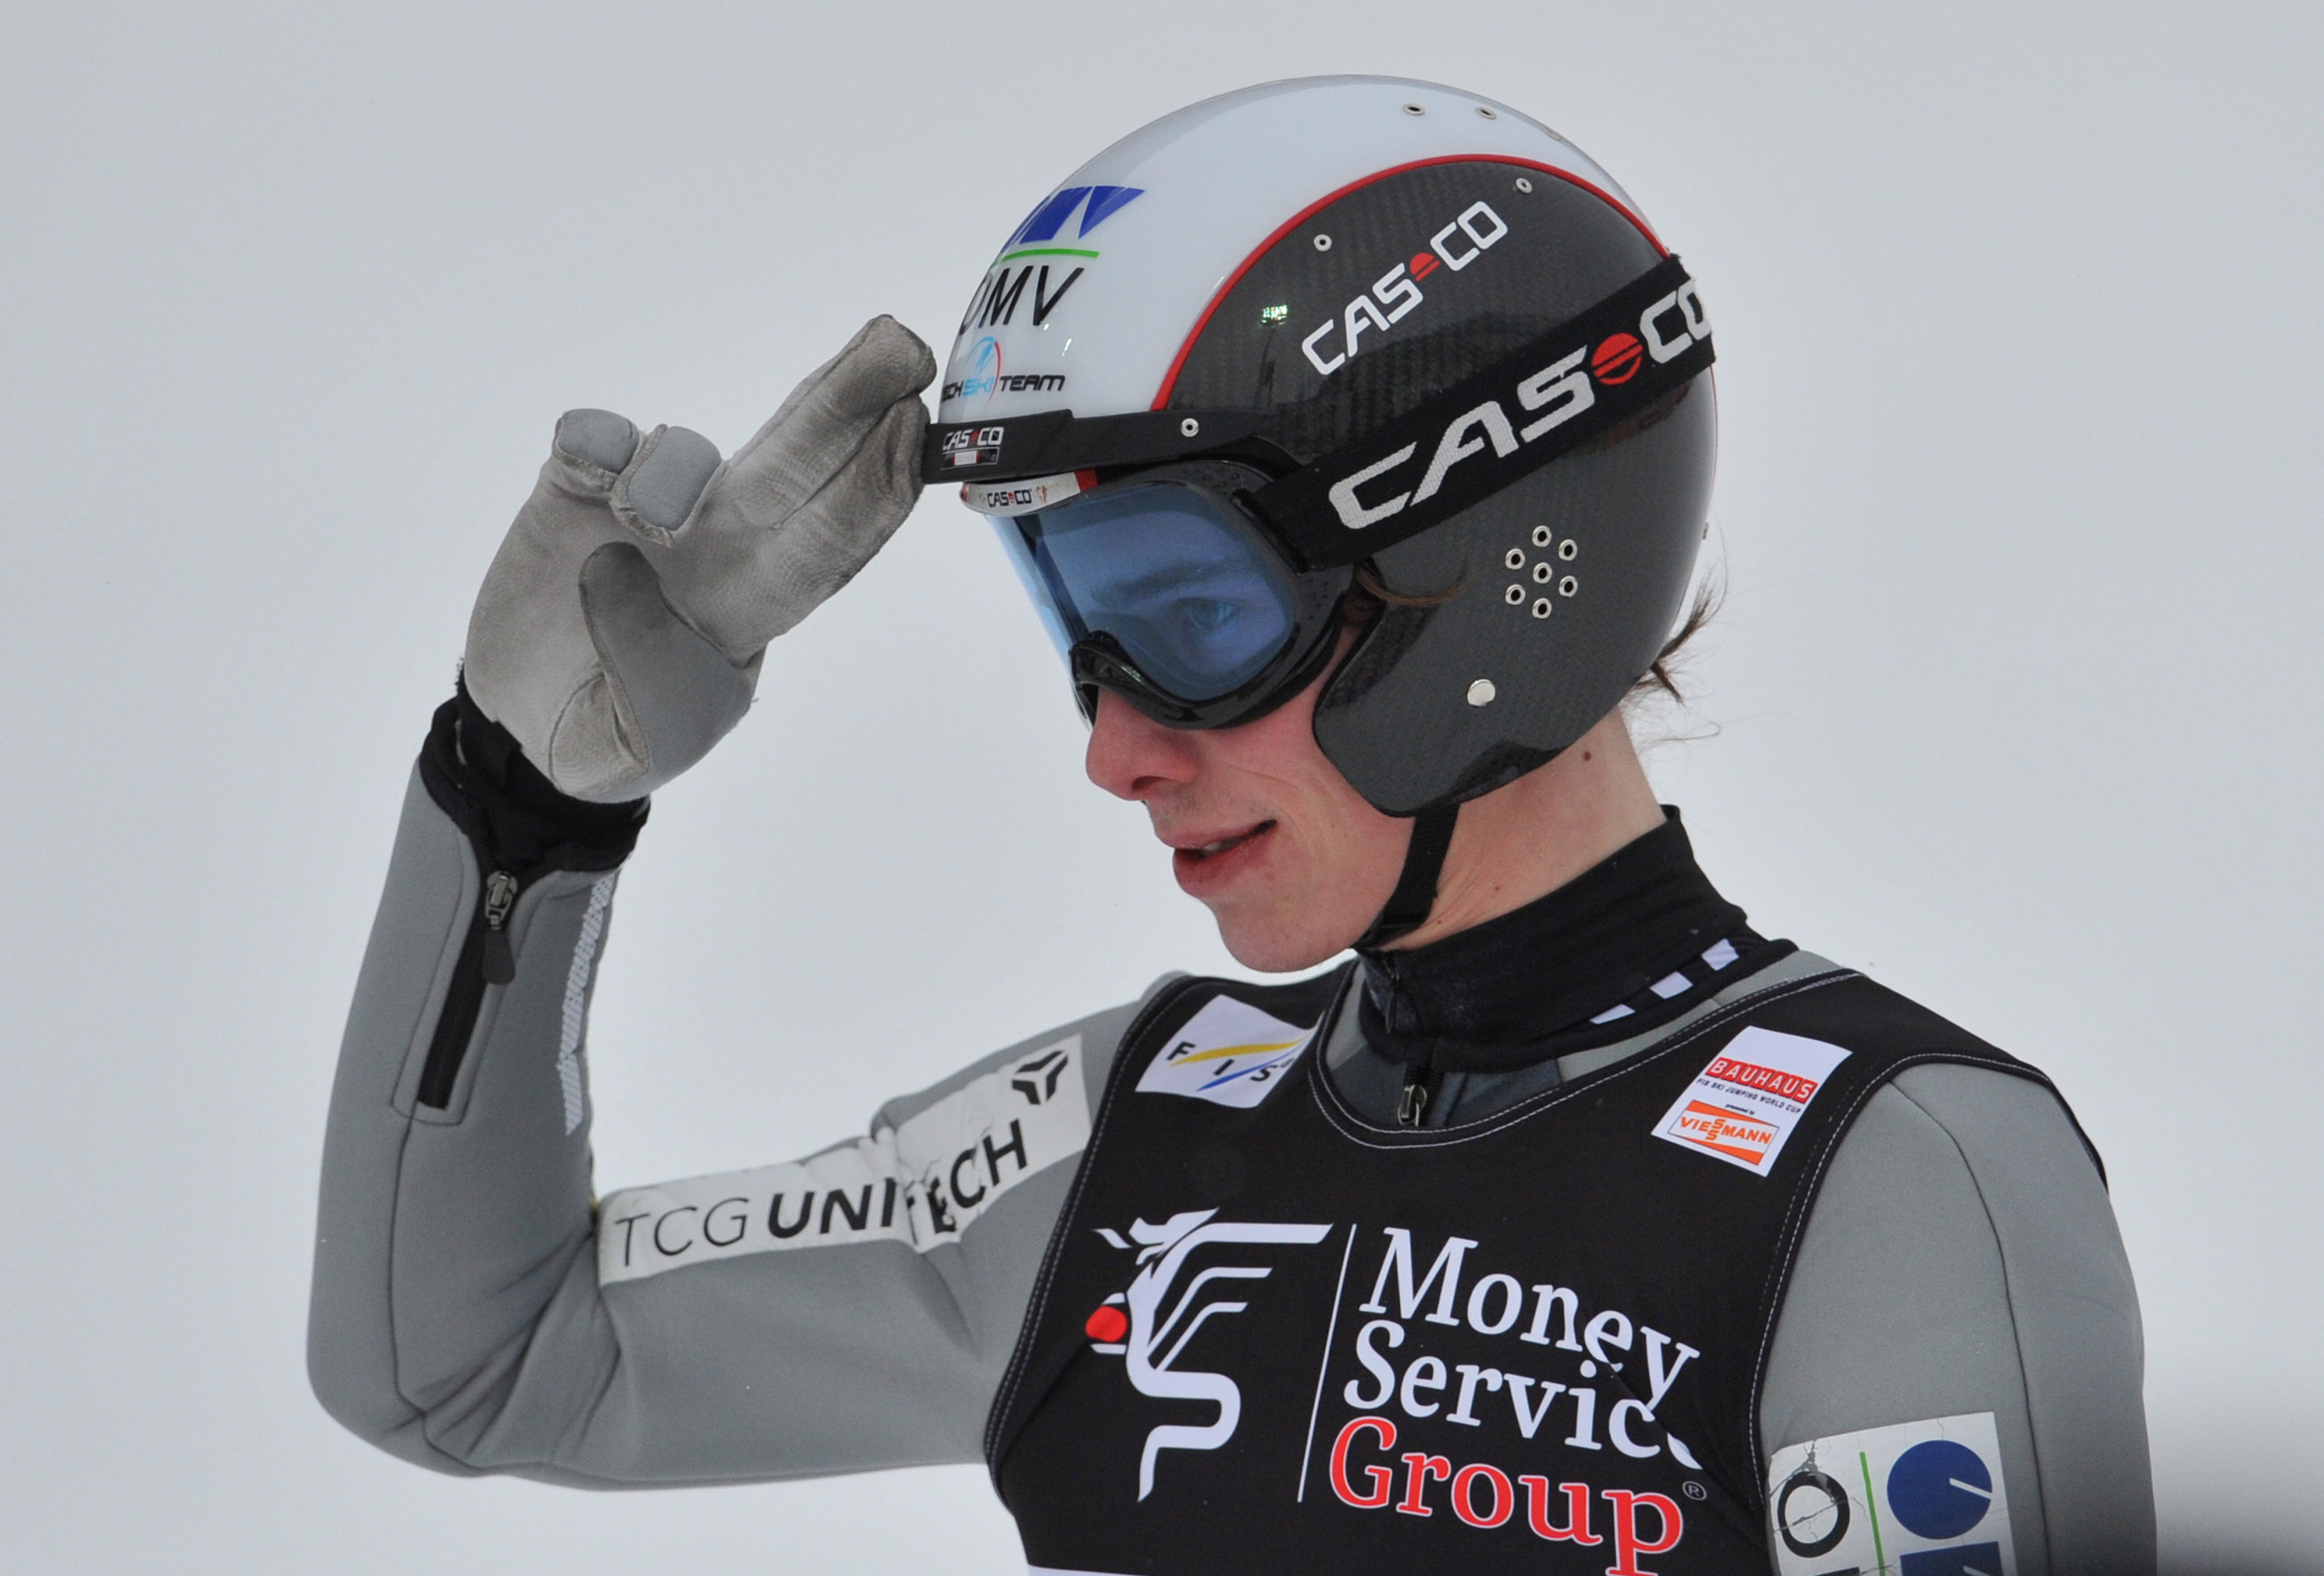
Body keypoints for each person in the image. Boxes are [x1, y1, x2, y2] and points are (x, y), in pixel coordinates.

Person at [308, 77, 2154, 1574]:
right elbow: (465, 1364)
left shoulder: (1886, 1177)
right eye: (1074, 624)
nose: (1117, 750)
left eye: (1187, 616)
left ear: (1490, 578)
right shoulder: (1130, 1146)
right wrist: (523, 811)